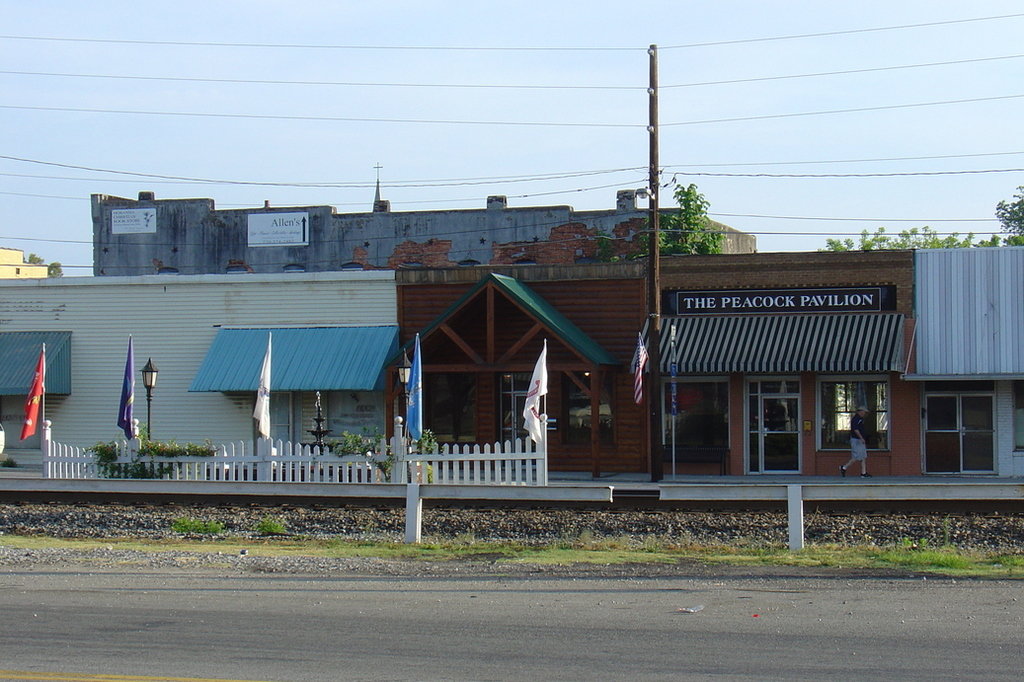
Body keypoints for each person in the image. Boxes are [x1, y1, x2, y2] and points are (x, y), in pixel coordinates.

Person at [840, 406, 871, 477]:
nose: (864, 413)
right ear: (860, 411)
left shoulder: (860, 419)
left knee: (863, 456)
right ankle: (844, 467)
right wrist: (861, 438)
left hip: (860, 440)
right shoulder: (856, 419)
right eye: (864, 412)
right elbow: (856, 430)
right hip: (856, 440)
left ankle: (863, 473)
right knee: (856, 457)